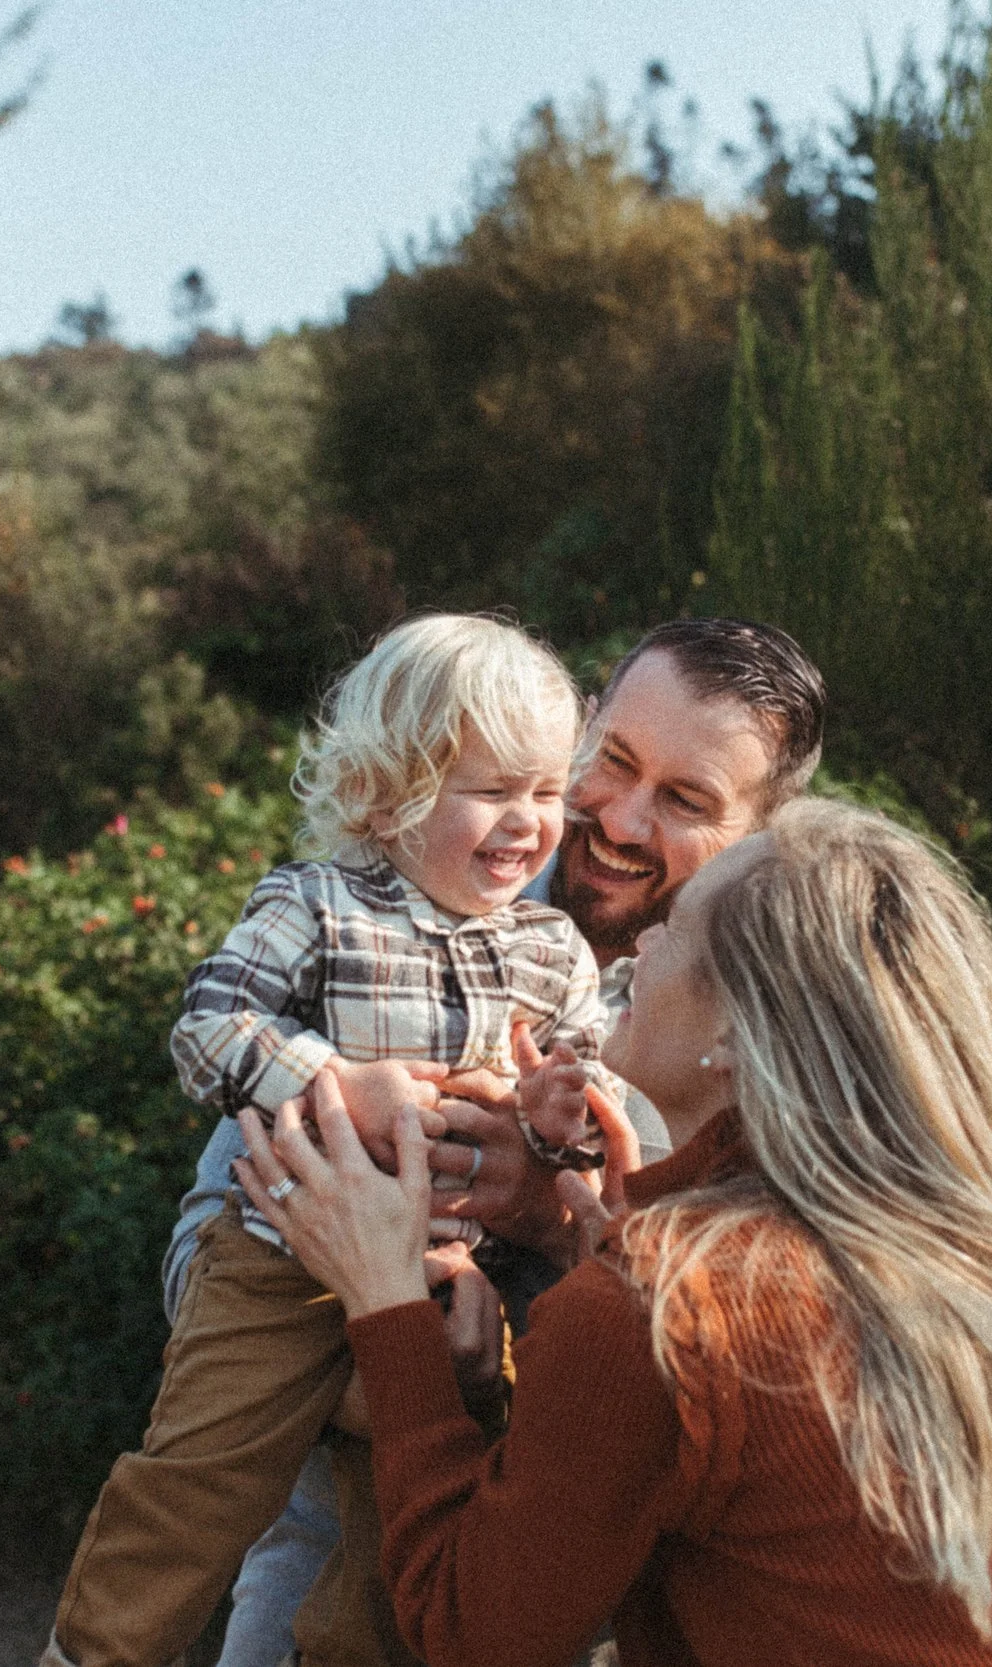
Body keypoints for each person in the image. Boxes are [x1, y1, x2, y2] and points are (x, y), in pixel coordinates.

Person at [236, 800, 992, 1667]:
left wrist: (381, 1299)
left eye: (678, 927)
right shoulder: (957, 1248)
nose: (642, 941)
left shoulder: (666, 1299)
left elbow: (472, 1629)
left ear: (734, 1035)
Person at [160, 618, 829, 1667]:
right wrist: (367, 1348)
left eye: (685, 799)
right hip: (337, 1538)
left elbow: (762, 1353)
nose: (616, 818)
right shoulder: (398, 924)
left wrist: (550, 1219)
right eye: (607, 763)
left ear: (754, 834)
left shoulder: (749, 1030)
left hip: (590, 1586)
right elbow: (216, 1226)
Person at [44, 614, 609, 1667]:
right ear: (382, 797)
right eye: (490, 790)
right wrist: (334, 1080)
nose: (529, 821)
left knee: (406, 1523)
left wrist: (551, 1118)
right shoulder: (316, 904)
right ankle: (94, 1653)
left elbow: (581, 1092)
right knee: (195, 1484)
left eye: (545, 790)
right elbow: (207, 1029)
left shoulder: (551, 950)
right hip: (280, 1261)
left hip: (440, 1276)